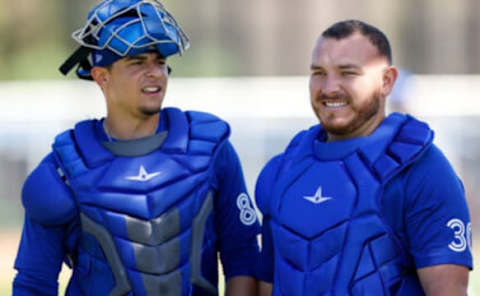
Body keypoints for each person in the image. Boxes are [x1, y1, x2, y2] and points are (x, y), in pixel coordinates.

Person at [13, 0, 260, 295]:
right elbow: (34, 283)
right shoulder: (63, 169)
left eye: (159, 61)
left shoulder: (209, 150)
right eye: (137, 62)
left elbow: (243, 256)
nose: (154, 72)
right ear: (102, 77)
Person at [255, 20, 472, 296]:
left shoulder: (421, 169)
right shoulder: (284, 171)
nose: (329, 87)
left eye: (347, 73)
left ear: (386, 81)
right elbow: (268, 285)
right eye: (319, 73)